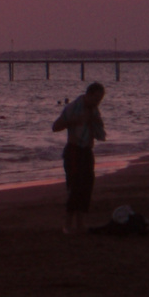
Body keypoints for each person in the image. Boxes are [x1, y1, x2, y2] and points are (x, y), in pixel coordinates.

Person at [52, 82, 107, 235]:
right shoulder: (73, 108)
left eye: (100, 99)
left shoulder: (94, 110)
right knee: (75, 187)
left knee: (87, 185)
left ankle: (80, 223)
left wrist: (95, 123)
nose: (98, 102)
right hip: (74, 150)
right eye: (96, 98)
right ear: (88, 95)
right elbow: (55, 126)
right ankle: (68, 225)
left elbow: (99, 132)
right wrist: (73, 121)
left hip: (87, 150)